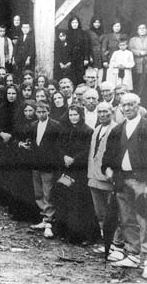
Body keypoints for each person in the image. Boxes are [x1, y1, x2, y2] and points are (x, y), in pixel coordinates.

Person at [102, 93, 147, 273]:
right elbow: (108, 155)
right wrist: (108, 169)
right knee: (127, 218)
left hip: (141, 181)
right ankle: (133, 254)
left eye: (131, 105)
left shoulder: (145, 127)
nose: (127, 109)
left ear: (138, 105)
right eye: (124, 106)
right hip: (121, 180)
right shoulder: (117, 130)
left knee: (143, 220)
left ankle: (145, 260)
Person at [52, 104, 98, 243]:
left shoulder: (88, 130)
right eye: (71, 115)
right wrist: (64, 156)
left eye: (76, 114)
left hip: (79, 171)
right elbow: (58, 145)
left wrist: (74, 159)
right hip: (66, 169)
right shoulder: (65, 129)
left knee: (78, 202)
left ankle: (78, 235)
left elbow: (87, 149)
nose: (73, 117)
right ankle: (64, 231)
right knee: (64, 197)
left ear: (81, 115)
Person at [19, 101, 63, 238]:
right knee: (38, 192)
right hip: (36, 163)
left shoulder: (55, 125)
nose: (41, 114)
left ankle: (49, 222)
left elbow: (58, 146)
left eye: (44, 112)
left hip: (49, 164)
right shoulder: (33, 125)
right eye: (38, 112)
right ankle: (44, 218)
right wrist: (24, 145)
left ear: (49, 111)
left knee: (48, 192)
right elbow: (31, 142)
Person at [88, 102, 119, 254]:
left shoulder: (117, 129)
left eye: (105, 111)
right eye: (100, 112)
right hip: (93, 177)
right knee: (100, 213)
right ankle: (106, 242)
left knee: (112, 214)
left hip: (107, 179)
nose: (102, 114)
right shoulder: (97, 129)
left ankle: (115, 243)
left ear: (112, 112)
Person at [66, 16, 91, 85]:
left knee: (80, 75)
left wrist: (86, 58)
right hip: (72, 57)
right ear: (70, 24)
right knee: (72, 75)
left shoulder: (83, 33)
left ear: (78, 23)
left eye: (76, 22)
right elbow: (67, 47)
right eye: (73, 22)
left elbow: (86, 46)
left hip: (81, 57)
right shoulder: (68, 33)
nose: (74, 24)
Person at [129, 24, 147, 105]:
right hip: (137, 63)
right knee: (138, 82)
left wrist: (145, 52)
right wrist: (138, 52)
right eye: (140, 28)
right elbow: (130, 48)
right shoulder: (133, 40)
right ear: (137, 30)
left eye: (144, 28)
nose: (142, 30)